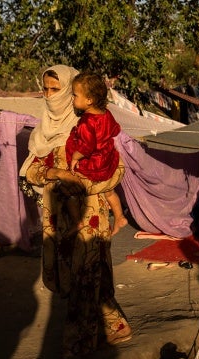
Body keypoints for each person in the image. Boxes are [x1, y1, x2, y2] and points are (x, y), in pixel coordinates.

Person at [19, 65, 131, 359]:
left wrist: (74, 178)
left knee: (85, 280)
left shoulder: (90, 128)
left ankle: (75, 349)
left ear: (72, 92)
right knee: (81, 280)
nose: (50, 95)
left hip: (90, 221)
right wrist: (53, 173)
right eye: (46, 89)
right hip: (58, 221)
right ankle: (115, 327)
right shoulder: (44, 132)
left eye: (57, 89)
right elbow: (30, 172)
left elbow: (114, 172)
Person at [65, 72, 127, 237]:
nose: (72, 98)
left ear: (89, 100)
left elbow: (87, 147)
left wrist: (75, 158)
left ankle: (77, 221)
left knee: (70, 192)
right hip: (107, 159)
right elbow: (115, 129)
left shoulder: (86, 122)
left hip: (94, 165)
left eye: (74, 95)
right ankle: (120, 217)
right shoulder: (106, 113)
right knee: (109, 191)